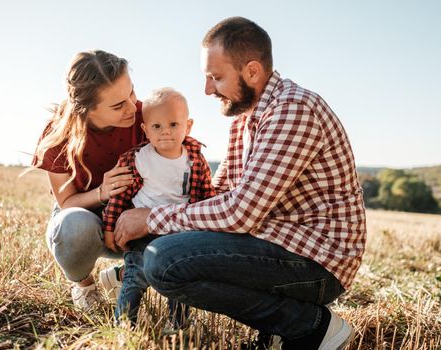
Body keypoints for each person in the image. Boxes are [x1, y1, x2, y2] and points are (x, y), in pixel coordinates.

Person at [112, 17, 366, 350]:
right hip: (275, 243)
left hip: (316, 260)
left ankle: (310, 326)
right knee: (160, 254)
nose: (207, 90)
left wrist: (149, 218)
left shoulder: (291, 110)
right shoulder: (245, 116)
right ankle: (279, 333)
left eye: (216, 77)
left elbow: (239, 214)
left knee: (166, 262)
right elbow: (219, 196)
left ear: (252, 71)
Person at [30, 50, 145, 309]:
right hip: (87, 219)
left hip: (133, 220)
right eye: (118, 105)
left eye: (132, 93)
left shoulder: (148, 116)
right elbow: (67, 202)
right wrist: (102, 192)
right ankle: (85, 285)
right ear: (86, 110)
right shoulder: (58, 134)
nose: (132, 107)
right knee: (73, 227)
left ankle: (122, 276)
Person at [102, 87, 216, 327]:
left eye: (174, 124)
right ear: (145, 129)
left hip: (180, 233)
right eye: (156, 126)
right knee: (135, 278)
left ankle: (178, 326)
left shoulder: (195, 159)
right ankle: (124, 325)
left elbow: (207, 195)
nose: (165, 131)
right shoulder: (137, 159)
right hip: (142, 233)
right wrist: (110, 228)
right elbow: (119, 198)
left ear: (189, 126)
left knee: (180, 280)